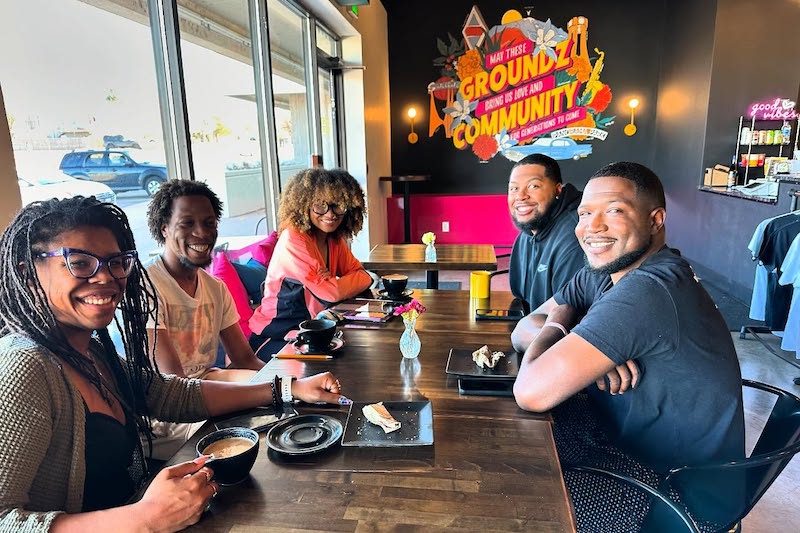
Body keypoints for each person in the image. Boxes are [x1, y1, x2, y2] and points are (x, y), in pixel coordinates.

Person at [0, 196, 348, 531]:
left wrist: (289, 388)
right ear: (29, 273)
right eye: (79, 262)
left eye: (116, 262)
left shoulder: (92, 353)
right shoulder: (25, 367)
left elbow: (174, 395)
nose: (105, 278)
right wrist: (144, 519)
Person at [511, 162, 745, 531]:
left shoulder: (650, 289)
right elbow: (524, 329)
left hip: (676, 499)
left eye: (615, 210)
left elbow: (530, 392)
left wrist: (567, 326)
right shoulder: (604, 274)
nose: (593, 226)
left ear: (656, 219)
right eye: (585, 212)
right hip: (628, 450)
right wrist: (572, 332)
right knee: (516, 451)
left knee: (518, 497)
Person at [144, 179, 265, 460]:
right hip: (163, 407)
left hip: (205, 381)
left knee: (276, 397)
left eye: (209, 223)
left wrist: (287, 382)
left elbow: (245, 358)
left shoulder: (214, 287)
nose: (202, 233)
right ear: (164, 228)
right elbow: (173, 382)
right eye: (187, 223)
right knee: (244, 427)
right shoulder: (146, 285)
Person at [248, 168, 373, 358]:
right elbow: (331, 294)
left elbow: (364, 275)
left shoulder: (334, 239)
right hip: (275, 335)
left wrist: (338, 282)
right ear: (304, 205)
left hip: (313, 331)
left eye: (338, 205)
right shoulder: (294, 239)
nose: (330, 214)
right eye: (321, 205)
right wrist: (340, 284)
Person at [507, 154, 584, 314]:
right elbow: (521, 298)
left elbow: (567, 316)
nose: (520, 196)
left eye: (533, 186)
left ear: (557, 190)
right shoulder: (525, 236)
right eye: (514, 188)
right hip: (530, 325)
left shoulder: (575, 235)